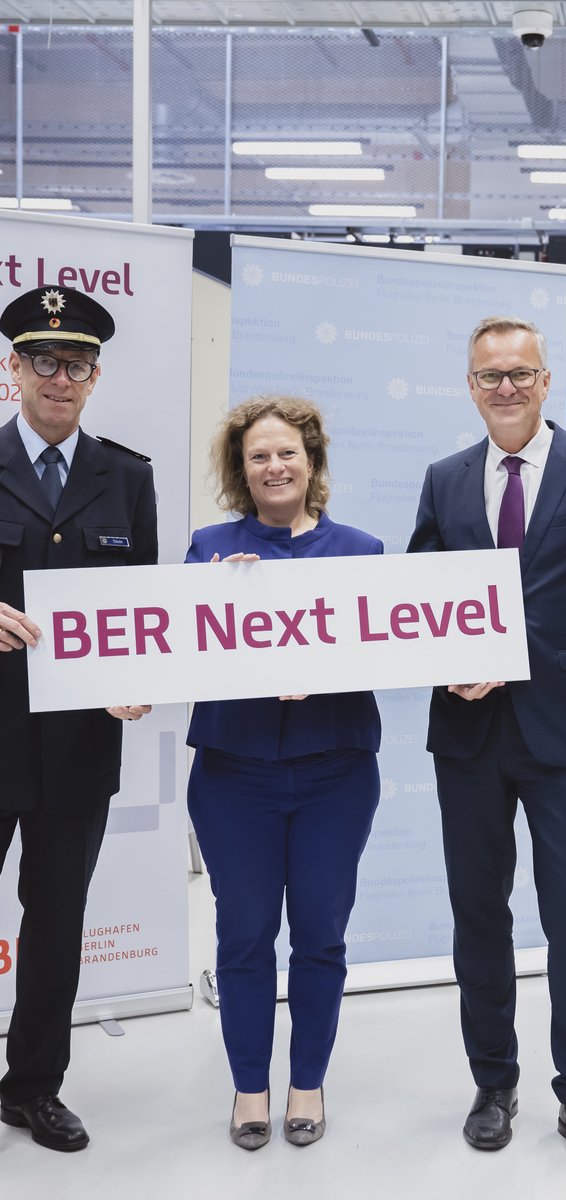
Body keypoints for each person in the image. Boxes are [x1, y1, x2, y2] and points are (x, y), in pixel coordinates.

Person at [407, 315, 566, 1172]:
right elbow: (418, 603)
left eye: (520, 373)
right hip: (469, 733)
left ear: (545, 381)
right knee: (479, 911)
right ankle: (493, 1083)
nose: (505, 387)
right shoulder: (444, 479)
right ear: (470, 386)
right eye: (489, 376)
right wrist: (447, 665)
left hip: (565, 730)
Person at [186, 396, 382, 1151]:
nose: (274, 467)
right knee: (242, 937)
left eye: (287, 453)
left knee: (321, 936)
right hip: (233, 776)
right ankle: (248, 1087)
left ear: (312, 461)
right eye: (259, 456)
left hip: (336, 774)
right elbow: (176, 649)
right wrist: (218, 597)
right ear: (241, 469)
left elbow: (386, 651)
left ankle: (307, 1083)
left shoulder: (362, 551)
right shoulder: (209, 550)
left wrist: (325, 673)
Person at [0, 286, 157, 1152]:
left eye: (77, 365)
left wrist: (140, 678)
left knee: (57, 923)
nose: (60, 378)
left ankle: (32, 1088)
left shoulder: (127, 477)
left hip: (79, 745)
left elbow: (143, 611)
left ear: (95, 378)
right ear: (13, 368)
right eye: (43, 360)